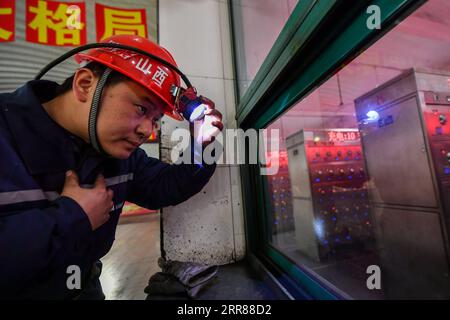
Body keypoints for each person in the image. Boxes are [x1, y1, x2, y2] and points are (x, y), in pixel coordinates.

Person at [0, 35, 223, 299]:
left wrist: (202, 145)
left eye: (155, 120)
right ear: (84, 85)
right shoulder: (6, 137)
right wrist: (71, 218)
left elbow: (167, 187)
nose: (147, 131)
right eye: (141, 108)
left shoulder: (118, 154)